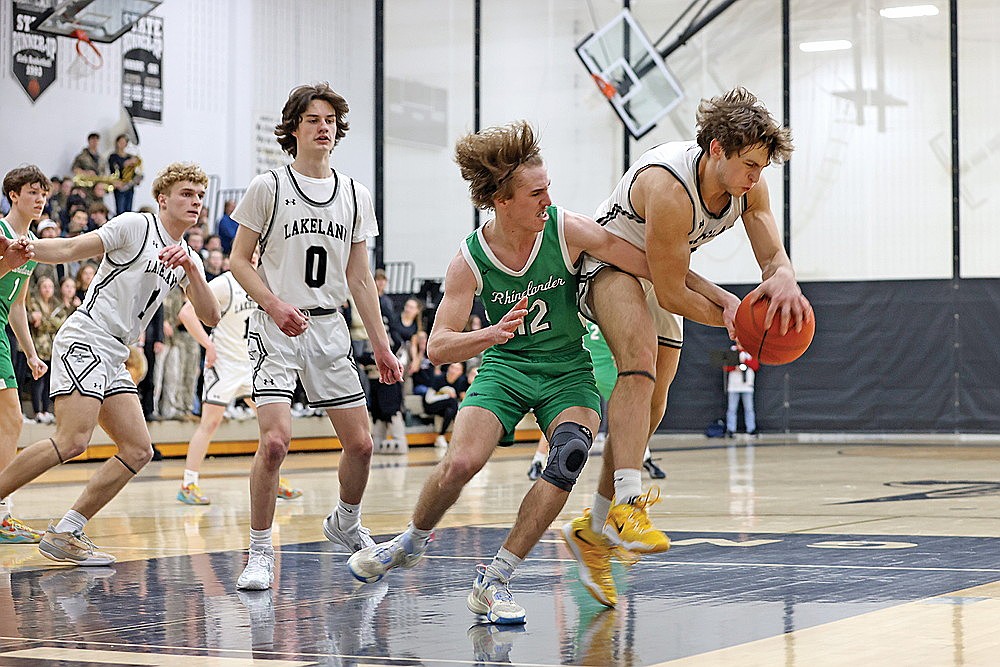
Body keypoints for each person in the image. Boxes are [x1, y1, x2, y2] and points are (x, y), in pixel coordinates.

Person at [346, 121, 651, 624]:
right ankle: (409, 541)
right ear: (502, 201)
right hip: (505, 368)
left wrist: (724, 300)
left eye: (549, 187)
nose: (548, 199)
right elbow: (441, 345)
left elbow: (645, 260)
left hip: (566, 371)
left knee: (570, 454)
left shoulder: (565, 227)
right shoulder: (469, 259)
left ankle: (496, 579)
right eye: (537, 192)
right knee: (461, 463)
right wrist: (488, 335)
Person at [564, 87, 814, 608]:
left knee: (650, 410)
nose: (755, 176)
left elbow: (770, 255)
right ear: (716, 148)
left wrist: (786, 276)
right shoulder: (669, 186)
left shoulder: (751, 185)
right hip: (608, 264)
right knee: (637, 369)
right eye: (748, 164)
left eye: (762, 167)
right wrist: (736, 317)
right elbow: (675, 289)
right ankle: (630, 502)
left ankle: (592, 532)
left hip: (660, 271)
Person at [0, 162, 220, 566]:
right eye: (186, 193)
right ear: (163, 199)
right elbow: (71, 248)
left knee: (138, 449)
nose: (195, 202)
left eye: (200, 196)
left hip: (116, 352)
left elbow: (210, 315)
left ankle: (66, 530)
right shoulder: (136, 226)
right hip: (87, 336)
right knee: (72, 440)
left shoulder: (187, 256)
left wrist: (192, 270)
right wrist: (28, 249)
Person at [229, 82, 402, 591]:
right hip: (277, 326)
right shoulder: (269, 186)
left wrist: (383, 345)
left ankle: (344, 522)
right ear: (294, 127)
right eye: (312, 119)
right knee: (276, 442)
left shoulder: (354, 193)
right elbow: (239, 260)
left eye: (329, 119)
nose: (323, 126)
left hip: (329, 328)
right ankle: (260, 552)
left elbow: (360, 278)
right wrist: (274, 304)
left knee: (363, 445)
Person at [175, 252, 302, 505]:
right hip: (224, 364)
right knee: (210, 424)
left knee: (273, 425)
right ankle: (188, 484)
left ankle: (274, 479)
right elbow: (187, 313)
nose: (255, 258)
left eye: (258, 253)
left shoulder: (266, 283)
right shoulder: (226, 282)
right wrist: (208, 345)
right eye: (251, 253)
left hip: (252, 364)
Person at [0, 166, 50, 543]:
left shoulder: (31, 244)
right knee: (12, 421)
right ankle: (3, 515)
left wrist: (31, 354)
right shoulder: (1, 234)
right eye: (33, 192)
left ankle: (3, 515)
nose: (40, 199)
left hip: (2, 333)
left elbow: (17, 305)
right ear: (13, 194)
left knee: (10, 422)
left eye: (44, 194)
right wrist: (7, 262)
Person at [724, 343, 758, 436]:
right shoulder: (732, 351)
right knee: (732, 409)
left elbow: (755, 366)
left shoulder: (751, 352)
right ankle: (731, 429)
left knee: (749, 409)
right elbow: (726, 366)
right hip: (734, 386)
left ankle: (751, 429)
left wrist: (745, 360)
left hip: (747, 386)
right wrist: (735, 366)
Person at [107, 134, 142, 215]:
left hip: (129, 185)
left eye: (124, 142)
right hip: (119, 185)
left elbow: (134, 171)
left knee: (129, 209)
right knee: (120, 209)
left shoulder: (130, 156)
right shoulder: (113, 157)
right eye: (120, 142)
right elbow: (113, 170)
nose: (122, 144)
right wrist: (125, 164)